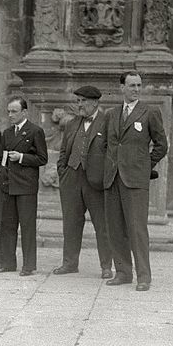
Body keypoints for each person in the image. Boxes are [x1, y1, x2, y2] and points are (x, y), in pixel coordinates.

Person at [104, 71, 168, 291]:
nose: (136, 89)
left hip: (136, 180)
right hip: (113, 179)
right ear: (122, 87)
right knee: (115, 228)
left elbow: (161, 145)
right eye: (131, 85)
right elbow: (107, 146)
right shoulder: (111, 114)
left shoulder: (149, 112)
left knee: (137, 229)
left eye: (139, 85)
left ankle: (143, 277)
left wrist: (144, 166)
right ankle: (122, 272)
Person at [54, 85, 113, 279]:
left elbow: (112, 153)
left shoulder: (107, 122)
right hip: (71, 178)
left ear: (95, 102)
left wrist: (105, 178)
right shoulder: (72, 124)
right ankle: (70, 263)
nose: (80, 105)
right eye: (78, 101)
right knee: (70, 223)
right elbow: (64, 151)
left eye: (84, 101)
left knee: (102, 225)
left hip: (95, 182)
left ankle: (106, 266)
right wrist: (62, 171)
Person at [0, 96, 48, 276]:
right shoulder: (7, 133)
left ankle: (28, 265)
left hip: (25, 187)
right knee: (7, 225)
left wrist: (22, 158)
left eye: (14, 111)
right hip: (8, 185)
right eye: (8, 111)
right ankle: (7, 263)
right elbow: (2, 157)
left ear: (24, 112)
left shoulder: (35, 131)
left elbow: (42, 158)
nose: (10, 115)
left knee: (27, 227)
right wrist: (1, 176)